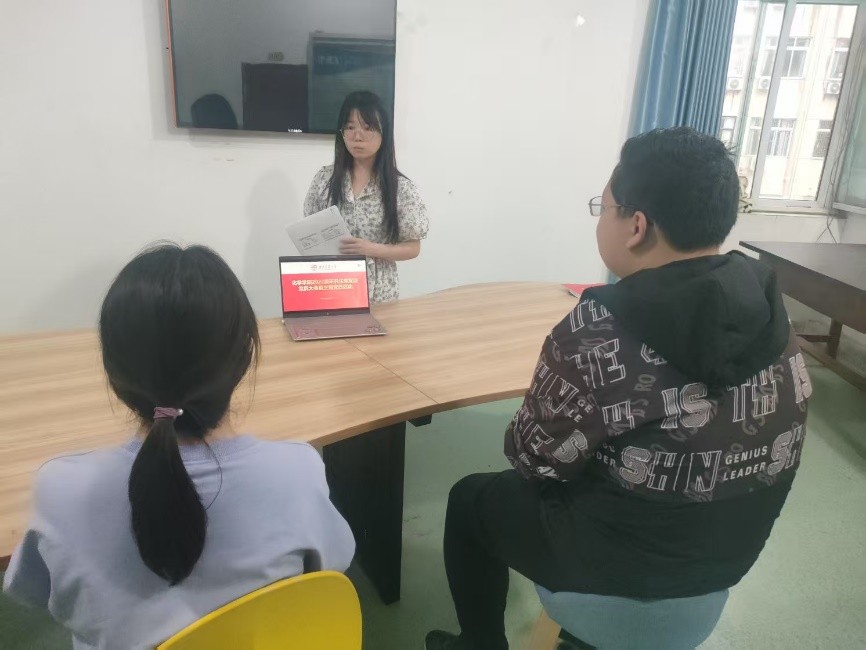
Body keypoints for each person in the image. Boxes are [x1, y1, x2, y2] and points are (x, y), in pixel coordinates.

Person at [425, 127, 812, 650]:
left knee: (469, 499)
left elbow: (532, 460)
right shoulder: (773, 316)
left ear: (636, 226)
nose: (599, 218)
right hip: (723, 564)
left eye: (602, 207)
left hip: (614, 568)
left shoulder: (597, 330)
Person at [3, 244, 355, 649]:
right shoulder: (298, 471)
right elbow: (334, 563)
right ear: (245, 359)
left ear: (113, 372)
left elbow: (34, 591)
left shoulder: (60, 490)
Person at [304, 90, 429, 303]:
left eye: (368, 127)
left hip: (379, 295)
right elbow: (310, 231)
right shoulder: (324, 180)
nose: (357, 136)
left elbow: (412, 248)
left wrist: (370, 249)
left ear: (384, 133)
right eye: (350, 127)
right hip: (331, 289)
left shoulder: (401, 188)